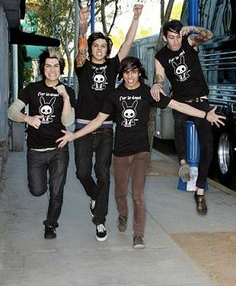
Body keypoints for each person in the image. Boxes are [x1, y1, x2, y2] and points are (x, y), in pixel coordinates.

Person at [57, 56, 225, 249]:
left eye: (134, 72)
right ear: (122, 74)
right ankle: (123, 215)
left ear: (139, 73)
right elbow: (96, 121)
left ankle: (138, 235)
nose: (130, 76)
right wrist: (74, 136)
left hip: (140, 152)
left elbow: (177, 105)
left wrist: (205, 114)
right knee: (120, 194)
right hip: (120, 152)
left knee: (137, 195)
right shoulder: (114, 95)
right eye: (127, 72)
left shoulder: (148, 93)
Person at [74, 4, 143, 242]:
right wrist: (82, 24)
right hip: (83, 125)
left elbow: (127, 44)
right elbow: (80, 46)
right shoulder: (82, 66)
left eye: (104, 46)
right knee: (82, 172)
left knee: (102, 172)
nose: (100, 49)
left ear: (106, 49)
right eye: (96, 45)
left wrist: (136, 18)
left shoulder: (114, 66)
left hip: (105, 129)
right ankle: (96, 196)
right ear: (91, 48)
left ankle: (100, 221)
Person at [8, 48, 76, 239]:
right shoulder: (32, 89)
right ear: (43, 68)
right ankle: (42, 185)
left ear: (61, 69)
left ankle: (51, 225)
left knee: (57, 192)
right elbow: (11, 111)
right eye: (48, 66)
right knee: (37, 190)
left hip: (59, 149)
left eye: (56, 66)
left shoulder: (67, 91)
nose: (52, 70)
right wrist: (27, 119)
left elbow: (68, 122)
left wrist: (66, 98)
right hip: (36, 151)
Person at [150, 19, 215, 215]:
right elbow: (159, 78)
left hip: (200, 99)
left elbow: (209, 35)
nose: (176, 41)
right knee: (178, 122)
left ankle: (200, 190)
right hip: (180, 101)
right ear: (165, 38)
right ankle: (183, 163)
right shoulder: (161, 56)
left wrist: (193, 29)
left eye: (178, 36)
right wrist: (157, 85)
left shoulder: (190, 42)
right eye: (172, 37)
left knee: (207, 146)